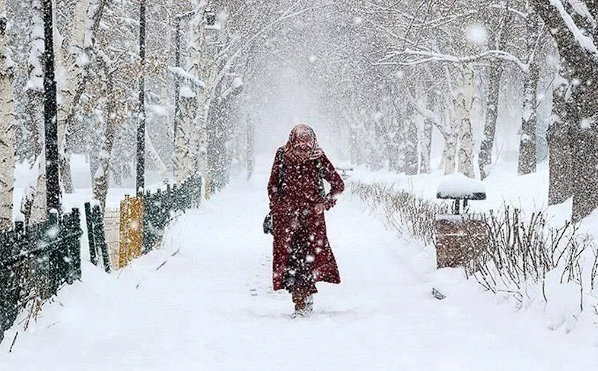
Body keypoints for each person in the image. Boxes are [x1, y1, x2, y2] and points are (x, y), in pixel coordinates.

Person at [267, 124, 345, 317]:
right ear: (292, 141)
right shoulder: (282, 155)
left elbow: (338, 185)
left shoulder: (318, 157)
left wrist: (324, 204)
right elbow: (272, 185)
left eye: (306, 148)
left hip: (312, 222)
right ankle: (300, 299)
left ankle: (302, 302)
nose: (302, 152)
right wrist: (279, 207)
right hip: (287, 221)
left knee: (306, 261)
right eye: (299, 147)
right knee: (291, 262)